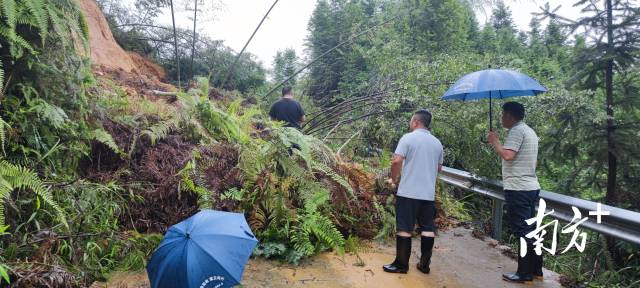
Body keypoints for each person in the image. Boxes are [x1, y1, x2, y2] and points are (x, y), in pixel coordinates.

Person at [487, 102, 543, 283]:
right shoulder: (530, 131)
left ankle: (524, 273)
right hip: (531, 186)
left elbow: (508, 155)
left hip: (518, 188)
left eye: (503, 115)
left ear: (511, 116)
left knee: (523, 231)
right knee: (531, 230)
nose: (502, 118)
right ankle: (536, 270)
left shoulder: (517, 131)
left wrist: (495, 142)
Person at [383, 110, 444, 274]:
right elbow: (439, 168)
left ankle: (401, 265)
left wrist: (393, 179)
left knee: (404, 228)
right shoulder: (437, 143)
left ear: (416, 122)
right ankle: (424, 265)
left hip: (408, 192)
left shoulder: (408, 138)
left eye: (411, 120)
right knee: (427, 228)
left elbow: (396, 161)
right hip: (428, 194)